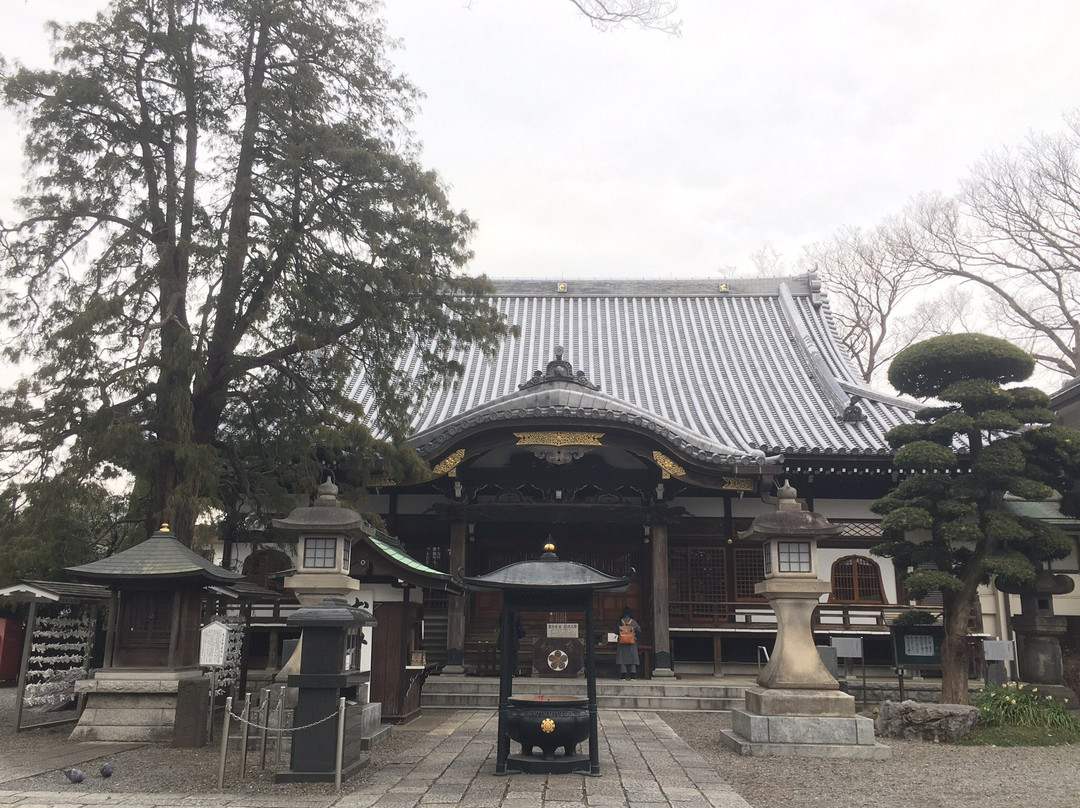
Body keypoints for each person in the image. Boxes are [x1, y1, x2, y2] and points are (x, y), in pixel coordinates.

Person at [615, 607, 641, 680]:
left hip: (622, 642)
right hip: (632, 642)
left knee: (622, 658)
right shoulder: (633, 621)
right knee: (633, 658)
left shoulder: (620, 621)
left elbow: (616, 631)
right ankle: (633, 675)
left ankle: (623, 675)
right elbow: (639, 630)